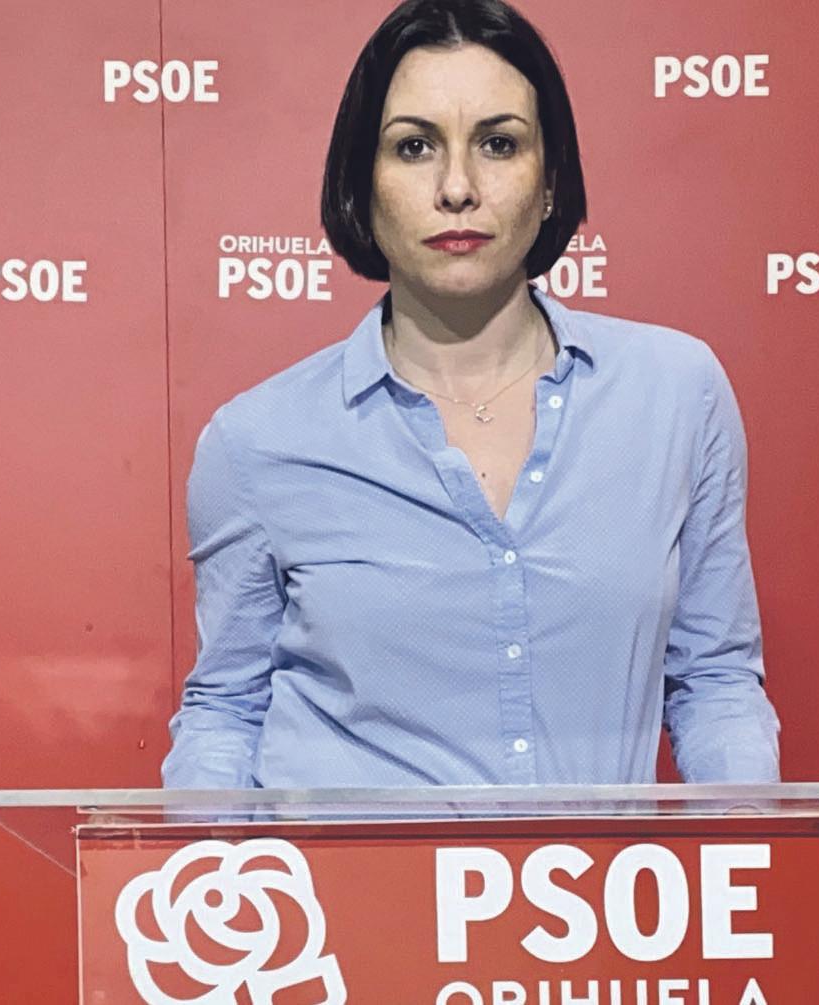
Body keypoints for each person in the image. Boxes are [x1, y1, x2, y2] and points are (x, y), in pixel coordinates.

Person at [161, 0, 781, 789]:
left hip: (593, 874)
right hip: (338, 873)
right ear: (362, 184)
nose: (457, 187)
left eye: (498, 143)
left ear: (550, 181)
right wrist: (204, 853)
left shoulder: (677, 395)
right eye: (414, 146)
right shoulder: (256, 442)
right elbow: (226, 712)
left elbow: (715, 681)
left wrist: (759, 841)